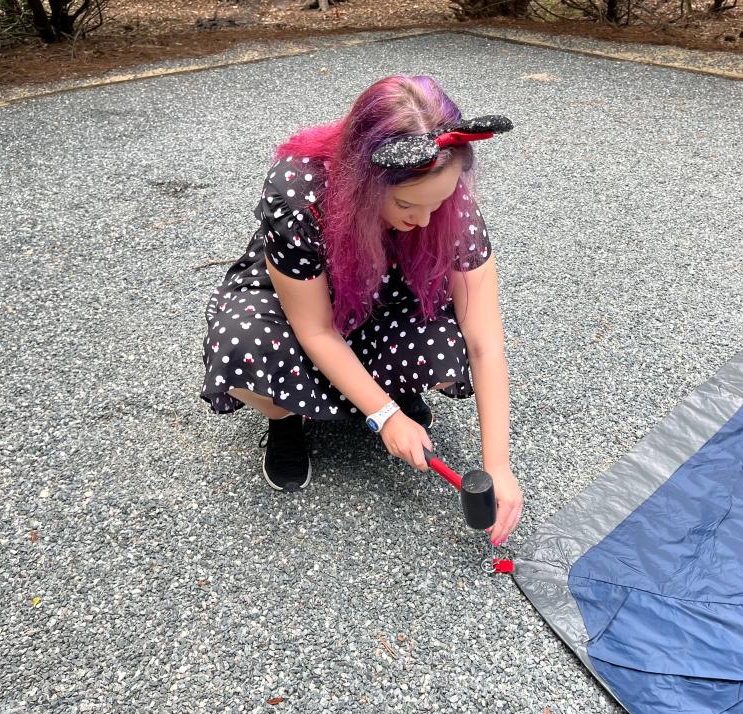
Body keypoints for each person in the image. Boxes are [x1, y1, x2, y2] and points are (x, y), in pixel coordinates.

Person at [200, 75, 522, 546]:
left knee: (448, 337)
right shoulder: (299, 190)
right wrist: (386, 416)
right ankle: (287, 419)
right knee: (242, 344)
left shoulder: (447, 207)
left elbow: (484, 341)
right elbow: (317, 330)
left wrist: (498, 465)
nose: (425, 221)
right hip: (303, 302)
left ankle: (388, 392)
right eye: (408, 204)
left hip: (385, 299)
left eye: (440, 202)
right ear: (363, 182)